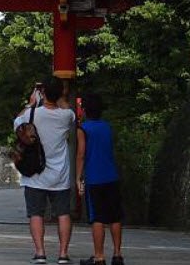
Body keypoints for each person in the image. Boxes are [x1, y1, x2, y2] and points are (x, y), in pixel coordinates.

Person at [13, 77, 76, 264]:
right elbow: (67, 109)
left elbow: (17, 123)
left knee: (36, 213)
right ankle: (63, 254)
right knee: (63, 214)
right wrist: (61, 96)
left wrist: (30, 103)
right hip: (60, 175)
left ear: (43, 93)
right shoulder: (66, 116)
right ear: (59, 94)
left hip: (35, 174)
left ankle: (40, 253)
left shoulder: (32, 114)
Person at [77, 94, 124, 265]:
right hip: (111, 176)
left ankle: (99, 256)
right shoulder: (107, 127)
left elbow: (81, 155)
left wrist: (78, 177)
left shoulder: (83, 129)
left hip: (94, 178)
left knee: (97, 218)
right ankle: (118, 254)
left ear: (85, 110)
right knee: (115, 217)